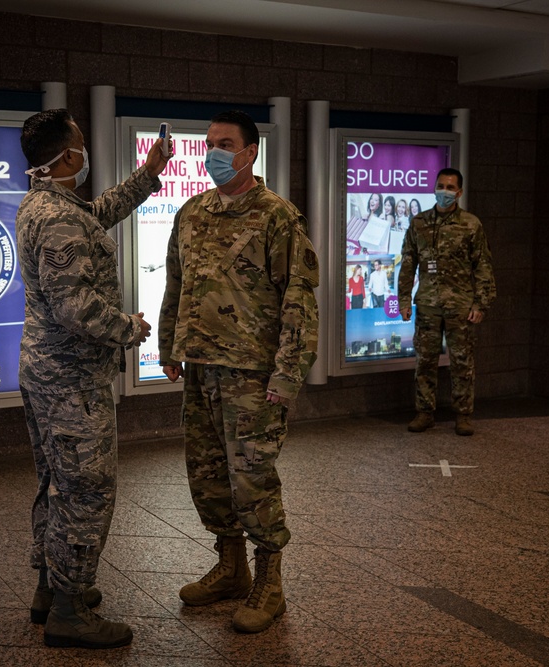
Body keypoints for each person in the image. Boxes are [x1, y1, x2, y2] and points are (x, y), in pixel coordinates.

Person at [158, 110, 319, 634]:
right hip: (200, 367)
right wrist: (168, 346)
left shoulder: (277, 217)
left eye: (225, 144)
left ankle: (269, 583)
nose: (213, 154)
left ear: (250, 152)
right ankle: (230, 568)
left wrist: (288, 375)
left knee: (251, 478)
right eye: (208, 144)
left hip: (252, 374)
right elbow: (175, 285)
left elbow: (299, 299)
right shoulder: (192, 212)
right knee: (206, 476)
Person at [16, 109, 171, 649]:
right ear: (65, 158)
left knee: (55, 482)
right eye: (80, 144)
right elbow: (75, 309)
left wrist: (149, 174)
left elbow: (98, 213)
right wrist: (129, 327)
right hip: (71, 381)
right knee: (86, 490)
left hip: (49, 374)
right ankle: (70, 609)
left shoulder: (49, 204)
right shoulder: (56, 217)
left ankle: (51, 586)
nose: (85, 152)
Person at [398, 168, 495, 436]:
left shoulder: (471, 225)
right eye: (441, 186)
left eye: (450, 187)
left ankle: (463, 415)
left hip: (460, 307)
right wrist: (403, 300)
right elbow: (408, 263)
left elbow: (483, 266)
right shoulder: (419, 223)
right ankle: (424, 413)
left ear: (459, 192)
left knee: (462, 362)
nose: (444, 191)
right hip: (428, 305)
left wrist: (480, 304)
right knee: (425, 361)